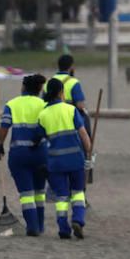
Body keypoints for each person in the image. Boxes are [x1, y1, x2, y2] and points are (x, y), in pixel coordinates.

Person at [35, 78, 93, 239]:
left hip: (55, 162)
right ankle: (78, 220)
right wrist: (89, 154)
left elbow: (39, 138)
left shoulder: (43, 114)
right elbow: (83, 135)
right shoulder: (71, 110)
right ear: (61, 93)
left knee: (61, 196)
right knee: (78, 192)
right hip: (75, 159)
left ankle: (63, 228)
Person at [0, 74, 47, 236]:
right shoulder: (44, 104)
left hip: (19, 155)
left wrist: (0, 144)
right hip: (41, 153)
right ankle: (40, 225)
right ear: (39, 89)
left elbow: (4, 126)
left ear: (23, 87)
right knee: (39, 191)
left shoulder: (11, 104)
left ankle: (32, 227)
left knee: (26, 194)